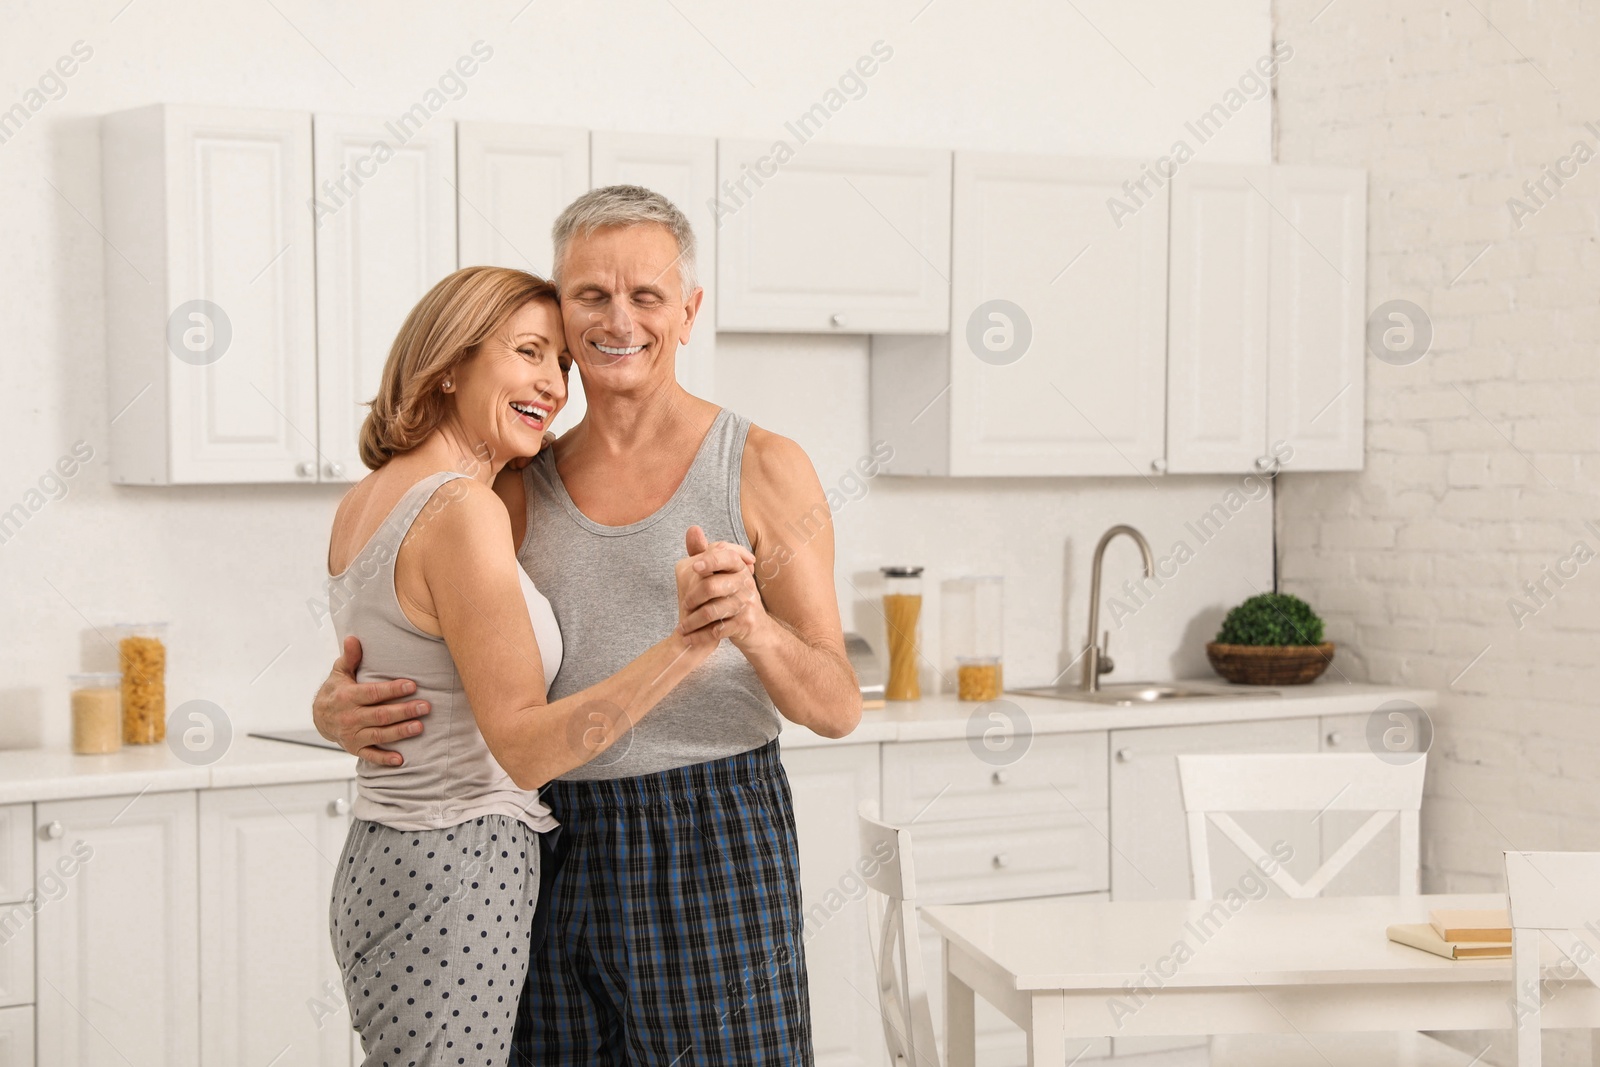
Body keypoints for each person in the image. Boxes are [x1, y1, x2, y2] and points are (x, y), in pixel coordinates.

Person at [314, 186, 863, 1065]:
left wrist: (751, 624)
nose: (619, 320)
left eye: (646, 296)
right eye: (590, 297)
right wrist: (335, 704)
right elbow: (428, 631)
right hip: (548, 836)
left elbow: (837, 704)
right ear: (563, 312)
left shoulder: (762, 466)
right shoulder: (509, 484)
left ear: (687, 313)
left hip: (712, 836)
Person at [321, 264, 724, 1067]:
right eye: (531, 352)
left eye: (562, 366)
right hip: (458, 863)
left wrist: (326, 709)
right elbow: (524, 746)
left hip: (385, 851)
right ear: (449, 362)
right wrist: (688, 644)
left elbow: (398, 666)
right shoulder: (462, 509)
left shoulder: (372, 496)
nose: (554, 383)